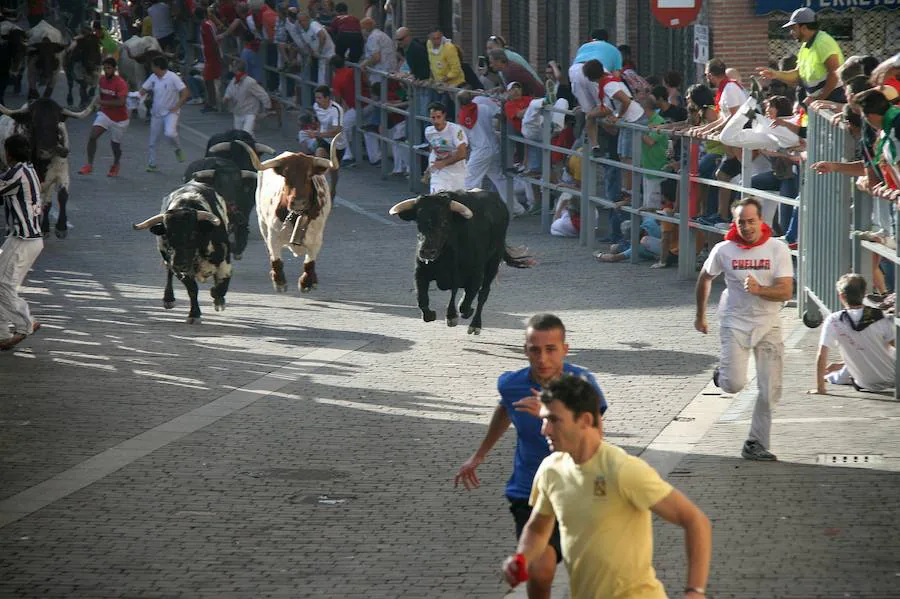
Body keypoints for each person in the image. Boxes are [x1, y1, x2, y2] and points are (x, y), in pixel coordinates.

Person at [501, 373, 711, 599]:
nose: (545, 430)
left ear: (585, 421)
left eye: (554, 420)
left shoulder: (623, 470)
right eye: (544, 419)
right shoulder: (550, 469)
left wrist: (695, 591)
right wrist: (521, 558)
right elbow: (538, 528)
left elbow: (695, 521)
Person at [455, 313, 607, 599]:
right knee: (539, 571)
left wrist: (550, 415)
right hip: (530, 491)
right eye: (534, 349)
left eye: (551, 349)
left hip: (579, 491)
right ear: (524, 349)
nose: (542, 359)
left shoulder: (582, 385)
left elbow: (597, 441)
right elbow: (506, 410)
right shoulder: (512, 384)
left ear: (565, 349)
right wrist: (478, 455)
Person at [695, 197, 794, 461]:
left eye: (752, 221)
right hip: (734, 321)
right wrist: (700, 315)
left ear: (762, 221)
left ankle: (755, 442)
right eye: (742, 222)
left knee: (771, 387)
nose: (747, 227)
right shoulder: (723, 249)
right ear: (734, 223)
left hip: (769, 323)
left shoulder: (777, 249)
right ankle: (722, 375)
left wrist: (761, 290)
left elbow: (786, 290)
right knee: (733, 384)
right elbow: (705, 278)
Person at [811, 274, 895, 394]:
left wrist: (820, 388)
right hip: (893, 378)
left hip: (864, 382)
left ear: (841, 296)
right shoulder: (880, 316)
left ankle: (832, 376)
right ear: (865, 292)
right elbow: (892, 347)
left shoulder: (834, 320)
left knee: (851, 362)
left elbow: (821, 355)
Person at [0, 134, 43, 351]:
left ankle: (25, 323)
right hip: (26, 239)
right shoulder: (28, 169)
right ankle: (2, 332)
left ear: (8, 153)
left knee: (3, 284)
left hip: (23, 239)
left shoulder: (16, 173)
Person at [756, 7, 844, 105]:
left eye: (793, 28)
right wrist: (776, 74)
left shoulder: (823, 42)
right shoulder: (806, 45)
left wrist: (819, 99)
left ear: (804, 28)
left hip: (833, 100)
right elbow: (797, 76)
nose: (791, 32)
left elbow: (834, 73)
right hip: (821, 103)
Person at [78, 57, 129, 177]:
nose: (107, 71)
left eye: (109, 68)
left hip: (120, 119)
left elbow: (121, 102)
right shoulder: (101, 80)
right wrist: (95, 107)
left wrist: (102, 103)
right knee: (92, 136)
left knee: (115, 145)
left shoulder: (121, 83)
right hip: (105, 114)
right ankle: (89, 165)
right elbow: (99, 96)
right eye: (105, 68)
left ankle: (116, 164)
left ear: (114, 69)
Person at [458, 91, 509, 207]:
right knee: (499, 178)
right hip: (494, 147)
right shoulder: (484, 108)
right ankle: (515, 208)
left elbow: (465, 142)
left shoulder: (461, 117)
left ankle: (471, 207)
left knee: (469, 179)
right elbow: (500, 115)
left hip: (480, 151)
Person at [140, 55, 189, 172]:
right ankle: (152, 164)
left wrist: (177, 106)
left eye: (153, 66)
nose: (151, 69)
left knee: (170, 133)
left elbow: (185, 92)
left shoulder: (173, 77)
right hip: (156, 113)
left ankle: (177, 148)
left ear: (158, 67)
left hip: (171, 113)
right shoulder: (153, 77)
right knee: (152, 141)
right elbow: (143, 89)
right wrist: (137, 97)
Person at [568, 28, 622, 113]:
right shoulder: (614, 50)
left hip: (575, 69)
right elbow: (616, 76)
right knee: (605, 108)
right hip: (596, 69)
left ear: (591, 38)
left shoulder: (583, 46)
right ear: (607, 39)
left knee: (588, 111)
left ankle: (585, 121)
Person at [423, 101, 467, 193]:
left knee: (458, 202)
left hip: (457, 172)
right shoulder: (429, 131)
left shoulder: (455, 130)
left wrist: (443, 163)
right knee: (437, 197)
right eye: (433, 118)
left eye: (438, 117)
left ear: (444, 116)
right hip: (439, 172)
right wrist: (428, 170)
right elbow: (433, 149)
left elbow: (462, 153)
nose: (436, 121)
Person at [312, 85, 346, 198]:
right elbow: (318, 120)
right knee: (318, 160)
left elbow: (337, 131)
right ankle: (318, 190)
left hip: (337, 143)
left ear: (327, 98)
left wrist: (318, 134)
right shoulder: (316, 106)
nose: (317, 101)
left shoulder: (336, 109)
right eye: (316, 98)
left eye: (319, 98)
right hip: (324, 141)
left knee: (334, 170)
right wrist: (317, 132)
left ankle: (333, 190)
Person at [223, 58, 271, 135]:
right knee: (238, 135)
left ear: (236, 68)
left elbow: (263, 94)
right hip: (238, 112)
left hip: (249, 112)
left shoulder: (250, 82)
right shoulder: (234, 80)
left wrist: (267, 107)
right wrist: (226, 97)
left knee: (247, 133)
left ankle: (251, 146)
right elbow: (229, 90)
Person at [197, 6, 222, 113]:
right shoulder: (207, 24)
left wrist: (217, 55)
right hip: (209, 55)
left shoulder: (206, 25)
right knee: (208, 79)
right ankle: (212, 102)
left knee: (209, 79)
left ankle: (213, 104)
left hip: (212, 56)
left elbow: (213, 41)